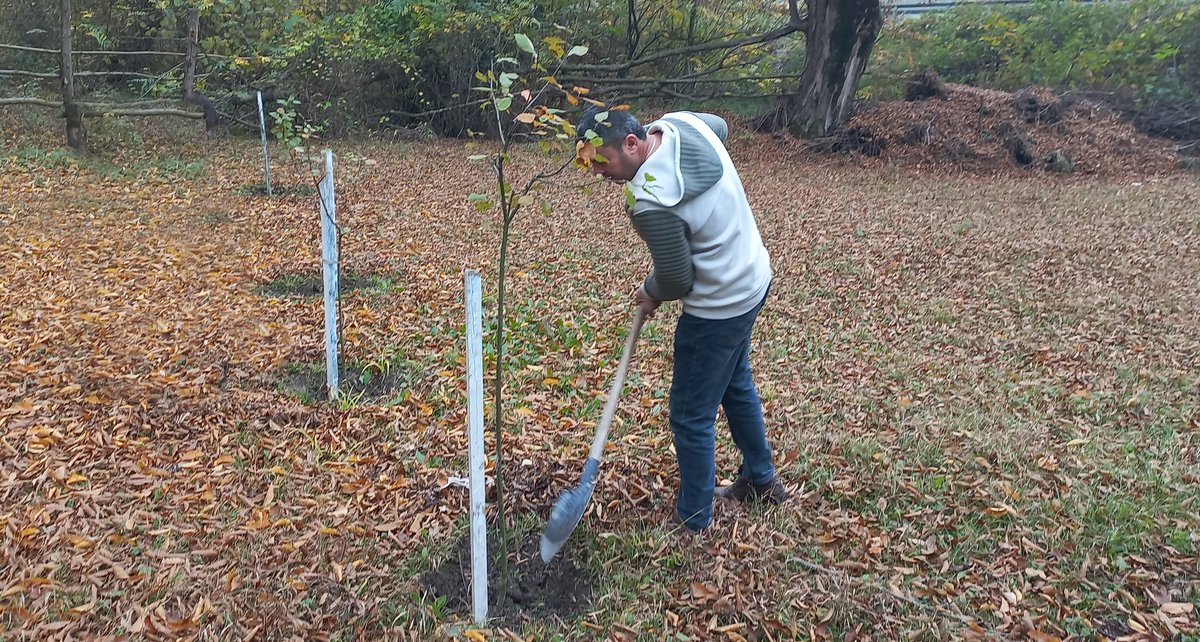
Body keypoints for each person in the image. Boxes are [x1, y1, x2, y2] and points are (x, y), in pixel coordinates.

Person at [575, 106, 788, 534]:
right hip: (753, 277)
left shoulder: (649, 200)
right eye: (591, 162)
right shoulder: (680, 124)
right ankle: (762, 480)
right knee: (734, 381)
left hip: (719, 305)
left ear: (632, 144)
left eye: (603, 160)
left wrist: (651, 290)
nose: (599, 172)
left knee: (691, 414)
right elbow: (721, 127)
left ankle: (694, 518)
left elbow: (676, 276)